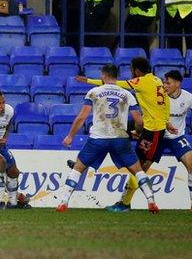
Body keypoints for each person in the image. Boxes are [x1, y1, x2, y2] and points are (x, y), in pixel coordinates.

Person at [56, 64, 159, 213]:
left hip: (98, 138)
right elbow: (139, 120)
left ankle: (63, 203)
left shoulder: (94, 92)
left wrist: (70, 136)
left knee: (77, 168)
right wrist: (137, 132)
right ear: (116, 76)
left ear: (103, 76)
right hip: (120, 138)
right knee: (138, 170)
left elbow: (82, 117)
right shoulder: (127, 94)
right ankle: (151, 202)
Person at [76, 57, 171, 212]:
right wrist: (167, 120)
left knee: (139, 168)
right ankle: (86, 161)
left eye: (132, 69)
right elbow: (165, 102)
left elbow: (114, 84)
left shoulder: (141, 81)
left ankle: (126, 203)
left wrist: (87, 81)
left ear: (137, 71)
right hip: (151, 124)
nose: (131, 72)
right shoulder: (156, 80)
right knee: (118, 127)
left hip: (153, 131)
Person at [161, 70, 192, 209]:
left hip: (177, 137)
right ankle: (125, 201)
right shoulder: (159, 97)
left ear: (178, 83)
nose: (164, 85)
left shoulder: (188, 97)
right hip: (158, 136)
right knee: (140, 168)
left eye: (168, 82)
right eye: (164, 82)